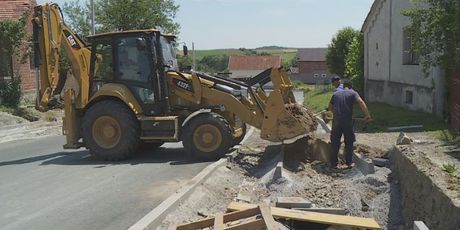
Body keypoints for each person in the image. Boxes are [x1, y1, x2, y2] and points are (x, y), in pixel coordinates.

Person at [328, 79, 372, 169]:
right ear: (351, 86)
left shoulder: (336, 94)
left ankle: (333, 163)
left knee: (335, 142)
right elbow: (360, 102)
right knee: (349, 142)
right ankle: (349, 162)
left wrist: (336, 114)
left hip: (336, 121)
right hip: (347, 121)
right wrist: (367, 115)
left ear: (343, 86)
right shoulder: (353, 93)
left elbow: (329, 108)